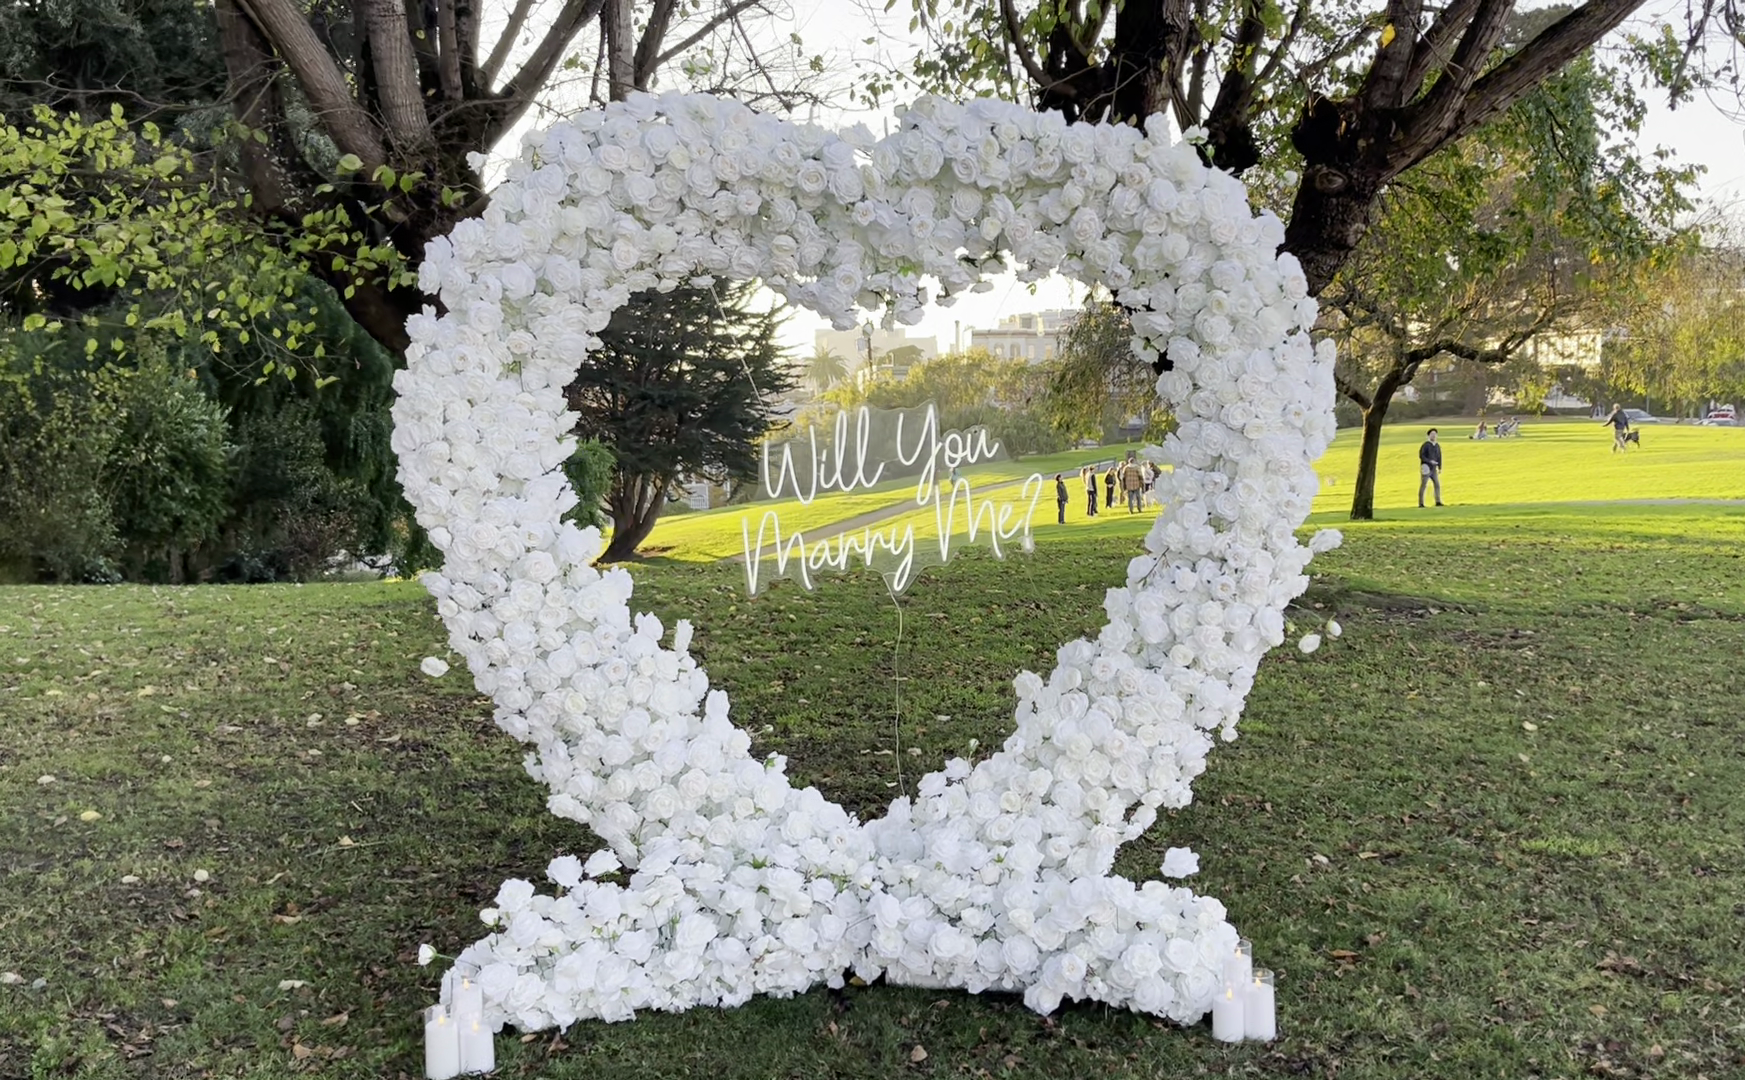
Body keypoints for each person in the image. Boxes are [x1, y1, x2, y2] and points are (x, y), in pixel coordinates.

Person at [1418, 428, 1443, 507]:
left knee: (1437, 485)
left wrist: (1439, 467)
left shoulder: (1437, 445)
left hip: (1434, 469)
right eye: (1432, 434)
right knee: (1424, 485)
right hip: (1426, 468)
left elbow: (1439, 456)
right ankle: (1421, 503)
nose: (1434, 435)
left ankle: (1438, 501)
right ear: (1428, 435)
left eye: (1435, 434)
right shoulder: (1426, 445)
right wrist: (1429, 461)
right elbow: (1421, 456)